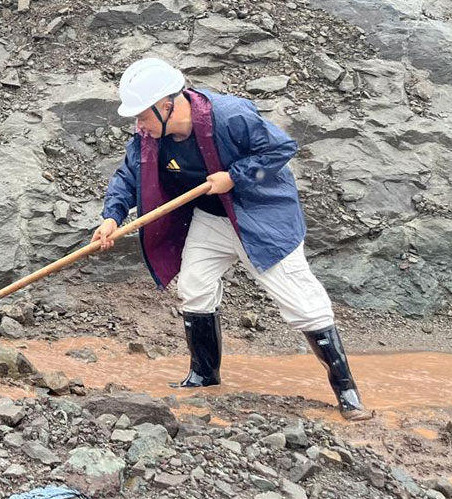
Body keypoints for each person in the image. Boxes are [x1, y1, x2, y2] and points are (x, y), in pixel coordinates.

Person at [91, 58, 374, 421]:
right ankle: (205, 375)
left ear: (166, 105)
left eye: (142, 115)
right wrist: (112, 216)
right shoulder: (150, 136)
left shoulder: (229, 115)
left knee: (302, 303)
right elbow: (129, 175)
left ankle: (346, 390)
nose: (137, 124)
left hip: (261, 218)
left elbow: (279, 150)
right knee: (194, 285)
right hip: (211, 219)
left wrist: (236, 176)